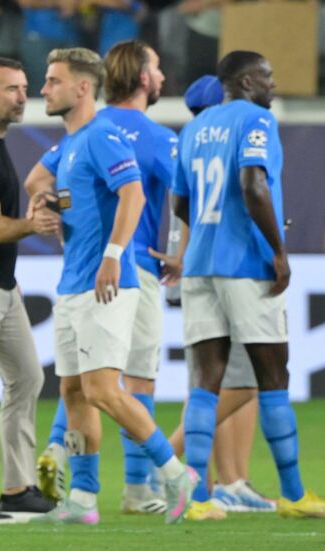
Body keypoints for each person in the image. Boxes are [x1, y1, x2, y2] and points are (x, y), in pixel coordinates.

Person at [27, 47, 194, 526]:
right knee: (74, 392)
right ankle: (83, 499)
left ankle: (175, 474)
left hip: (108, 283)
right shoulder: (74, 142)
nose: (44, 89)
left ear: (82, 88)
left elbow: (135, 193)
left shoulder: (102, 135)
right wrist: (49, 205)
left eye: (53, 80)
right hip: (74, 282)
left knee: (102, 389)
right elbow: (44, 183)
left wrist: (113, 255)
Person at [172, 50, 325, 520]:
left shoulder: (193, 129)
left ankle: (197, 499)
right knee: (273, 377)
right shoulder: (257, 120)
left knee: (205, 381)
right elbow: (253, 182)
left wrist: (207, 230)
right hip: (245, 263)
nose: (274, 85)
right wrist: (277, 251)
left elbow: (180, 201)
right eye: (267, 76)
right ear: (244, 81)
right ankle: (294, 494)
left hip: (200, 264)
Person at [160, 74, 275, 515]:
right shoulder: (231, 146)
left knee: (211, 381)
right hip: (225, 271)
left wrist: (180, 255)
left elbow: (182, 209)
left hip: (194, 273)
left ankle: (228, 480)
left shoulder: (190, 144)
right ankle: (169, 459)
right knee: (243, 382)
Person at [0, 56, 58, 524]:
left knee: (28, 376)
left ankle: (18, 487)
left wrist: (27, 219)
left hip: (6, 286)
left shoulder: (0, 144)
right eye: (12, 88)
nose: (24, 96)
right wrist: (31, 223)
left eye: (25, 88)